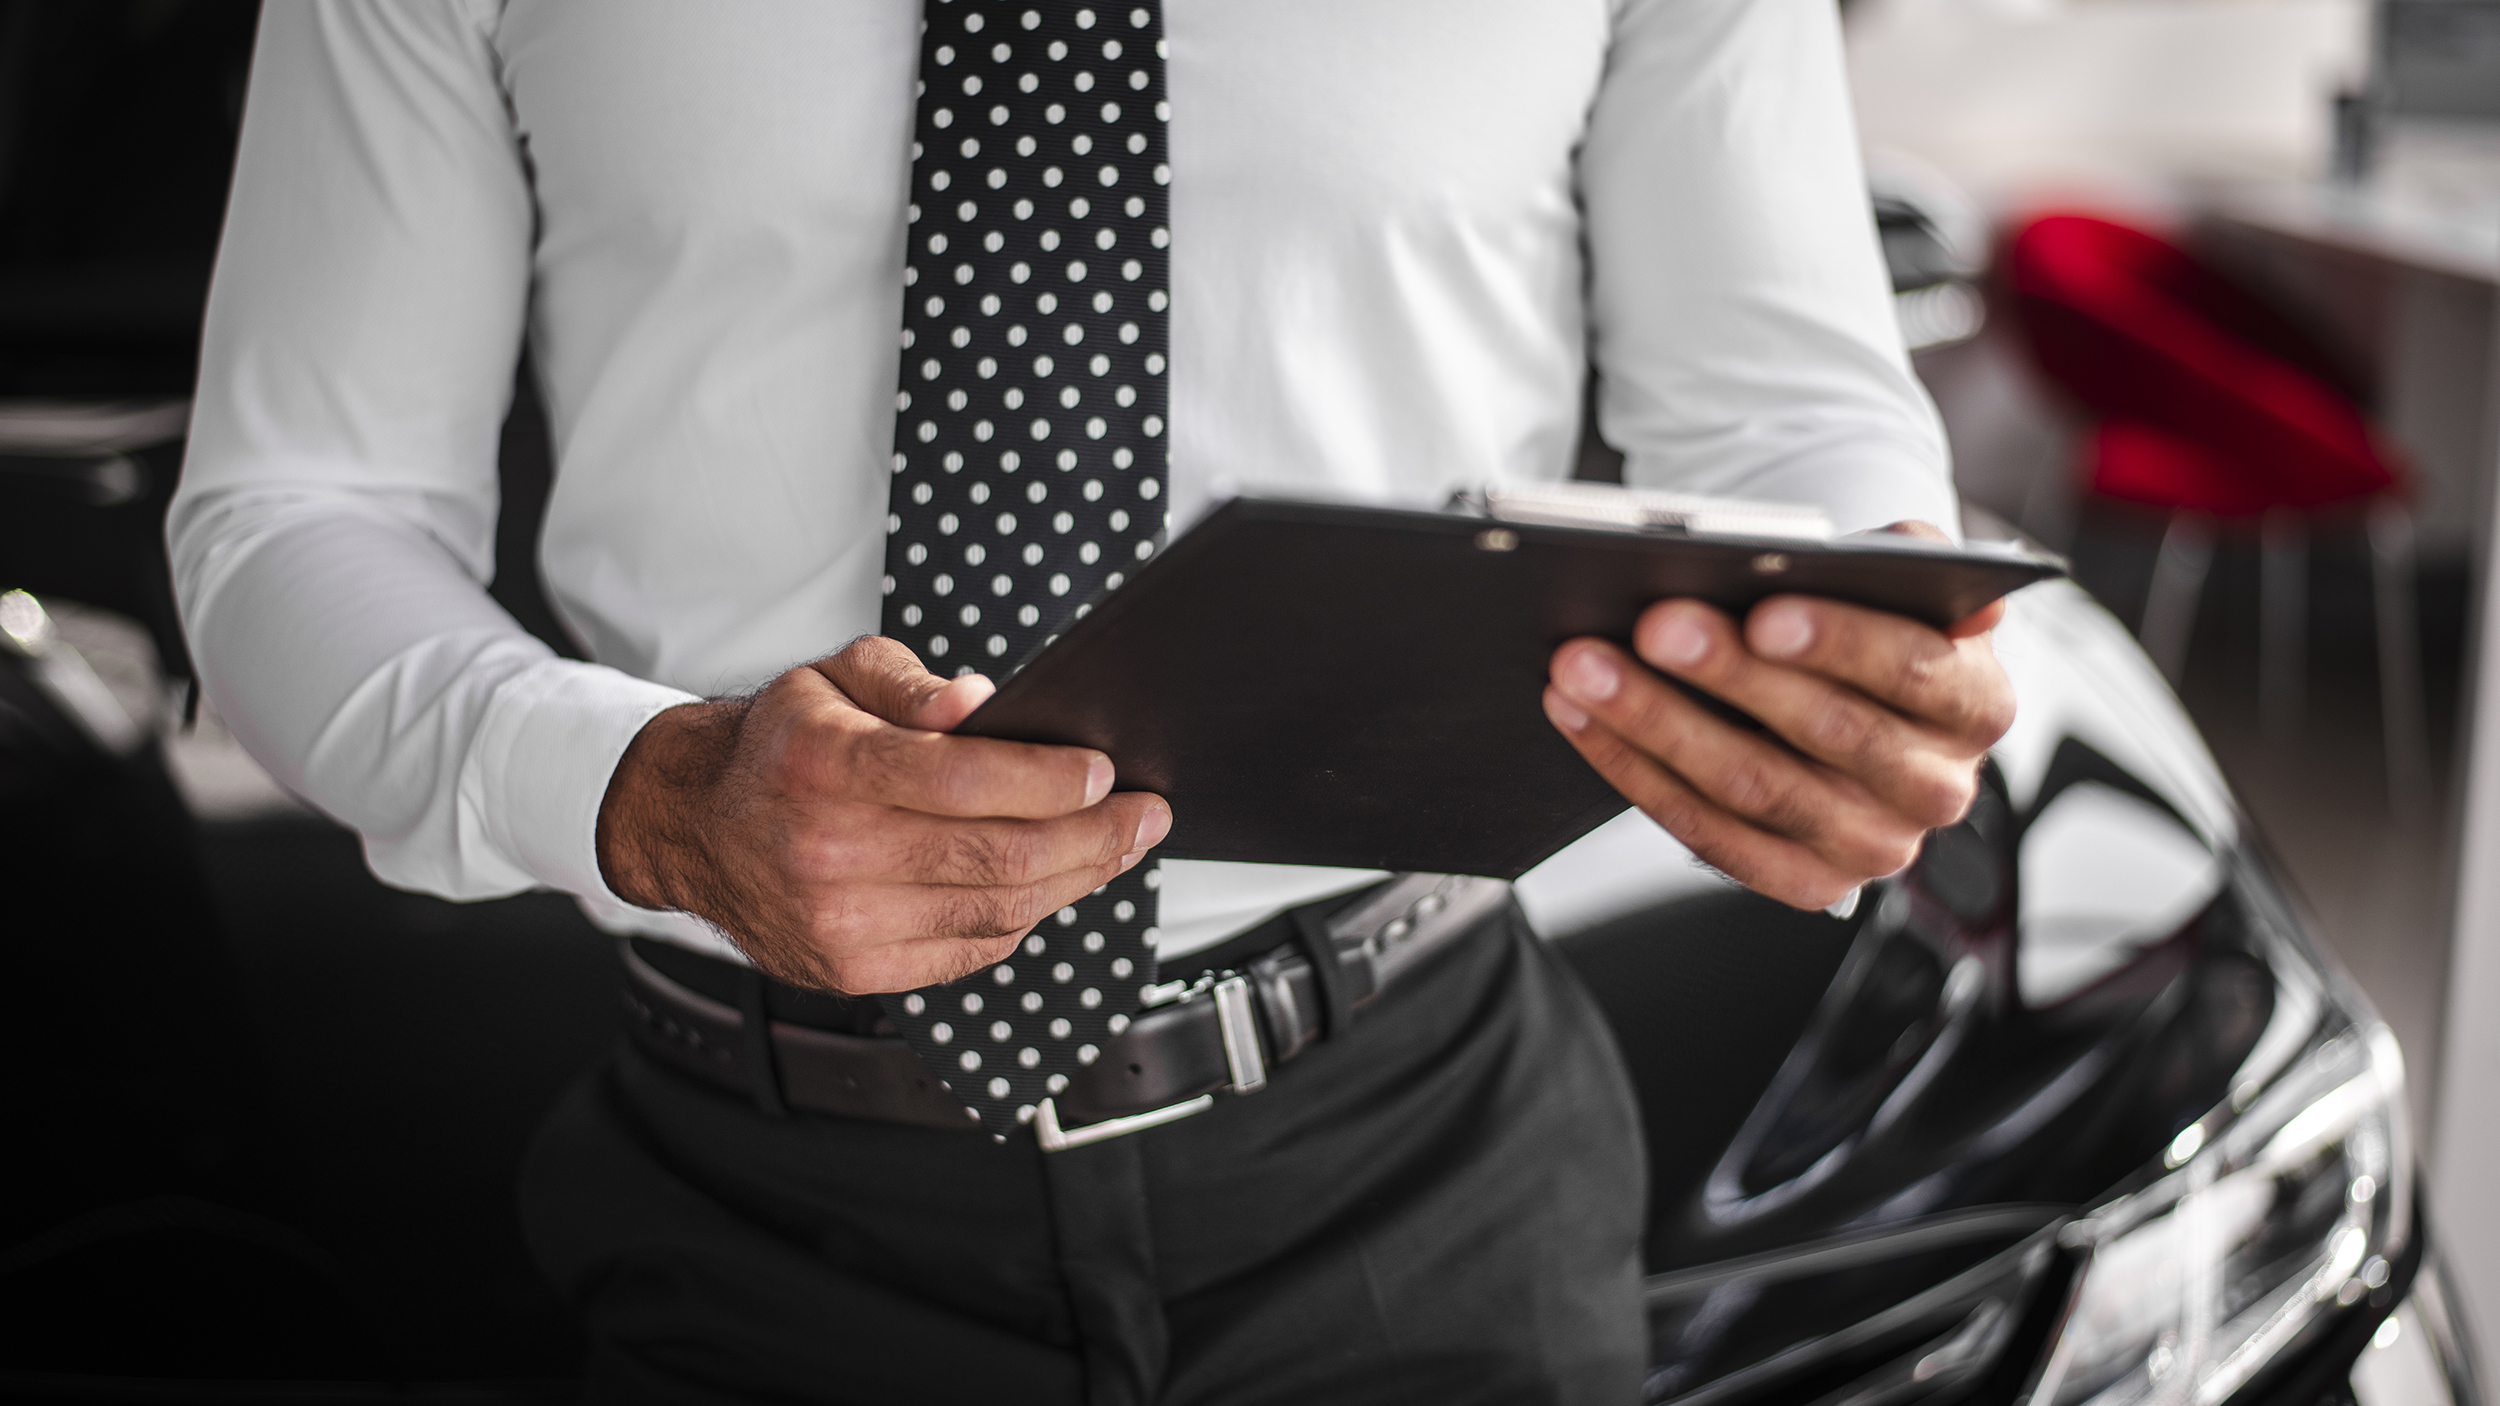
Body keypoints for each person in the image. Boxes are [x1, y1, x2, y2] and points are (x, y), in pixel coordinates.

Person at [170, 3, 2014, 1402]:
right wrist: (645, 791)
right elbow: (295, 503)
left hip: (1422, 1165)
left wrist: (1862, 620)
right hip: (757, 1193)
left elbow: (1789, 410)